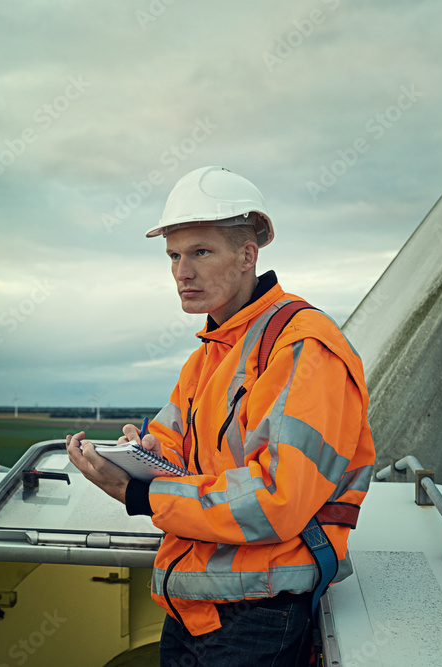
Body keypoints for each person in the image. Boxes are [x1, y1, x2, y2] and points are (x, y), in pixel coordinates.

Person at [66, 166, 375, 666]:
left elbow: (279, 499)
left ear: (248, 255)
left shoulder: (302, 348)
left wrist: (142, 492)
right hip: (193, 602)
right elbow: (172, 439)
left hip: (258, 612)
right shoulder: (211, 353)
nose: (181, 273)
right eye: (173, 256)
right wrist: (144, 454)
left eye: (200, 253)